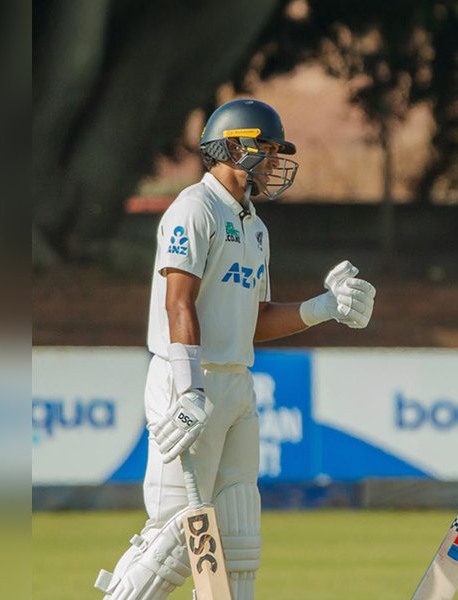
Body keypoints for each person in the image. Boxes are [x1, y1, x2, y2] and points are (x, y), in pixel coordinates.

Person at [95, 98, 376, 600]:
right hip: (188, 382)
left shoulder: (256, 228)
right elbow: (177, 303)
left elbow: (255, 321)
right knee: (175, 535)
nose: (272, 160)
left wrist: (325, 306)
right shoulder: (193, 208)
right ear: (230, 147)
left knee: (239, 535)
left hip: (236, 387)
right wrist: (190, 389)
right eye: (263, 148)